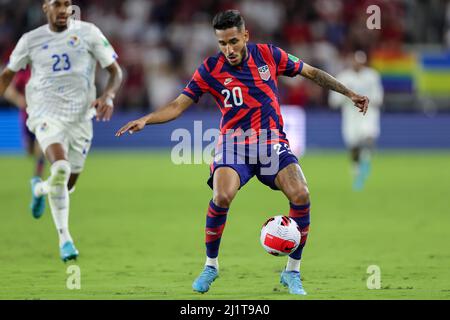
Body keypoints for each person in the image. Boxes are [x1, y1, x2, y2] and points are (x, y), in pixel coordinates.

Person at [116, 10, 369, 295]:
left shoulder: (269, 55)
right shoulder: (210, 69)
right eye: (222, 43)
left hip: (272, 143)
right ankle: (211, 265)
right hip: (233, 145)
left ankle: (292, 272)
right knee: (222, 195)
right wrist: (146, 119)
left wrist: (349, 93)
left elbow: (311, 73)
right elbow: (177, 105)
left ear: (245, 35)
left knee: (301, 194)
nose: (228, 49)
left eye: (233, 41)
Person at [0, 0, 123, 262]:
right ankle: (64, 238)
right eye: (57, 4)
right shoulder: (30, 40)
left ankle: (39, 189)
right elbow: (6, 76)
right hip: (45, 114)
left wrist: (109, 96)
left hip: (80, 119)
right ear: (45, 7)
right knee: (61, 167)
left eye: (68, 4)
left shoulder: (89, 33)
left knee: (66, 185)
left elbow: (115, 71)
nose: (63, 10)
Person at [329, 51, 383, 191]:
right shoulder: (343, 77)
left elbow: (378, 97)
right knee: (353, 147)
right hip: (350, 117)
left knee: (369, 138)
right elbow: (334, 100)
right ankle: (357, 171)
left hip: (368, 114)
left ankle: (366, 162)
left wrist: (368, 100)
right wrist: (347, 99)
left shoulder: (372, 76)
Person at [3, 68, 46, 179]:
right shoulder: (23, 75)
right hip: (26, 117)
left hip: (43, 116)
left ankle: (37, 178)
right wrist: (19, 100)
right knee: (30, 150)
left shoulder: (46, 72)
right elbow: (9, 91)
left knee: (41, 145)